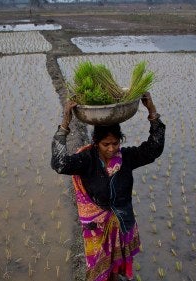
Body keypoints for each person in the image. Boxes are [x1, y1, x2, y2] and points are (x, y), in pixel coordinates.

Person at [51, 93, 165, 281]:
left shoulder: (126, 158)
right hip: (96, 228)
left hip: (122, 222)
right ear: (96, 143)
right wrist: (65, 124)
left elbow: (154, 149)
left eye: (115, 143)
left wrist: (151, 110)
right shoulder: (87, 160)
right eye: (106, 144)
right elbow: (59, 163)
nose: (111, 149)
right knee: (98, 271)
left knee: (116, 267)